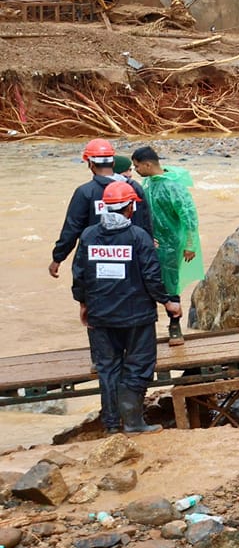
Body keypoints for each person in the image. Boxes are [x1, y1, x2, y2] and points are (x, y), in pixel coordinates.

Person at [71, 179, 180, 435]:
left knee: (107, 370)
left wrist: (83, 303)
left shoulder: (89, 236)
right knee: (138, 364)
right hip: (136, 316)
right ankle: (133, 422)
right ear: (130, 207)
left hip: (100, 316)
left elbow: (79, 274)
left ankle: (111, 426)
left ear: (104, 208)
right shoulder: (138, 237)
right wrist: (168, 301)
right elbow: (152, 276)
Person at [49, 138, 153, 279]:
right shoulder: (134, 188)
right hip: (131, 258)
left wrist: (58, 258)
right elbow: (145, 225)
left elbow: (72, 229)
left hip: (97, 262)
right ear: (113, 162)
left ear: (90, 163)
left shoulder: (85, 192)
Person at [128, 145, 201, 297]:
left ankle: (174, 316)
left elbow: (189, 217)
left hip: (172, 243)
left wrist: (190, 245)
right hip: (153, 240)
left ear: (148, 165)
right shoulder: (149, 182)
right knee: (151, 279)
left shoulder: (173, 186)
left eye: (137, 166)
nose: (136, 170)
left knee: (170, 280)